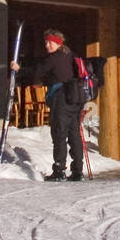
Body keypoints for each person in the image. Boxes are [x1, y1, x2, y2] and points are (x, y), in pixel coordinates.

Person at [12, 27, 83, 181]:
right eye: (46, 43)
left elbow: (38, 70)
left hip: (62, 98)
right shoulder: (69, 55)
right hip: (75, 99)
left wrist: (19, 69)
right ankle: (77, 171)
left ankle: (59, 171)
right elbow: (58, 74)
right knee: (74, 133)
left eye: (51, 42)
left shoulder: (55, 57)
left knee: (59, 133)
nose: (47, 46)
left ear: (58, 43)